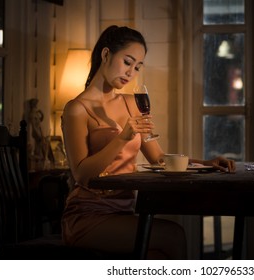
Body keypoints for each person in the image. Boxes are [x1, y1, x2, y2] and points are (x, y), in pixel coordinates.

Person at [61, 25, 236, 259]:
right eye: (127, 62)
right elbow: (82, 174)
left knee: (159, 254)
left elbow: (159, 159)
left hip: (124, 211)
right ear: (105, 55)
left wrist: (205, 163)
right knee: (173, 236)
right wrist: (122, 137)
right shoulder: (76, 109)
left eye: (137, 67)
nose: (131, 73)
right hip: (88, 215)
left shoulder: (131, 103)